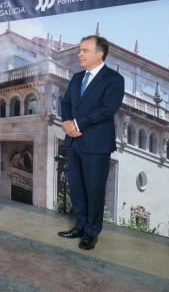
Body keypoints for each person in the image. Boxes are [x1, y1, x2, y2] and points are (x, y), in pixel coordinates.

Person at [58, 35, 124, 250]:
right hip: (74, 142)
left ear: (99, 54)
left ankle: (91, 232)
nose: (80, 54)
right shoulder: (77, 78)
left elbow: (107, 110)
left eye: (85, 50)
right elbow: (65, 102)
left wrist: (76, 124)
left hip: (96, 144)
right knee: (76, 187)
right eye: (80, 50)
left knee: (94, 190)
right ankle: (80, 226)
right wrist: (67, 122)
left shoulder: (114, 79)